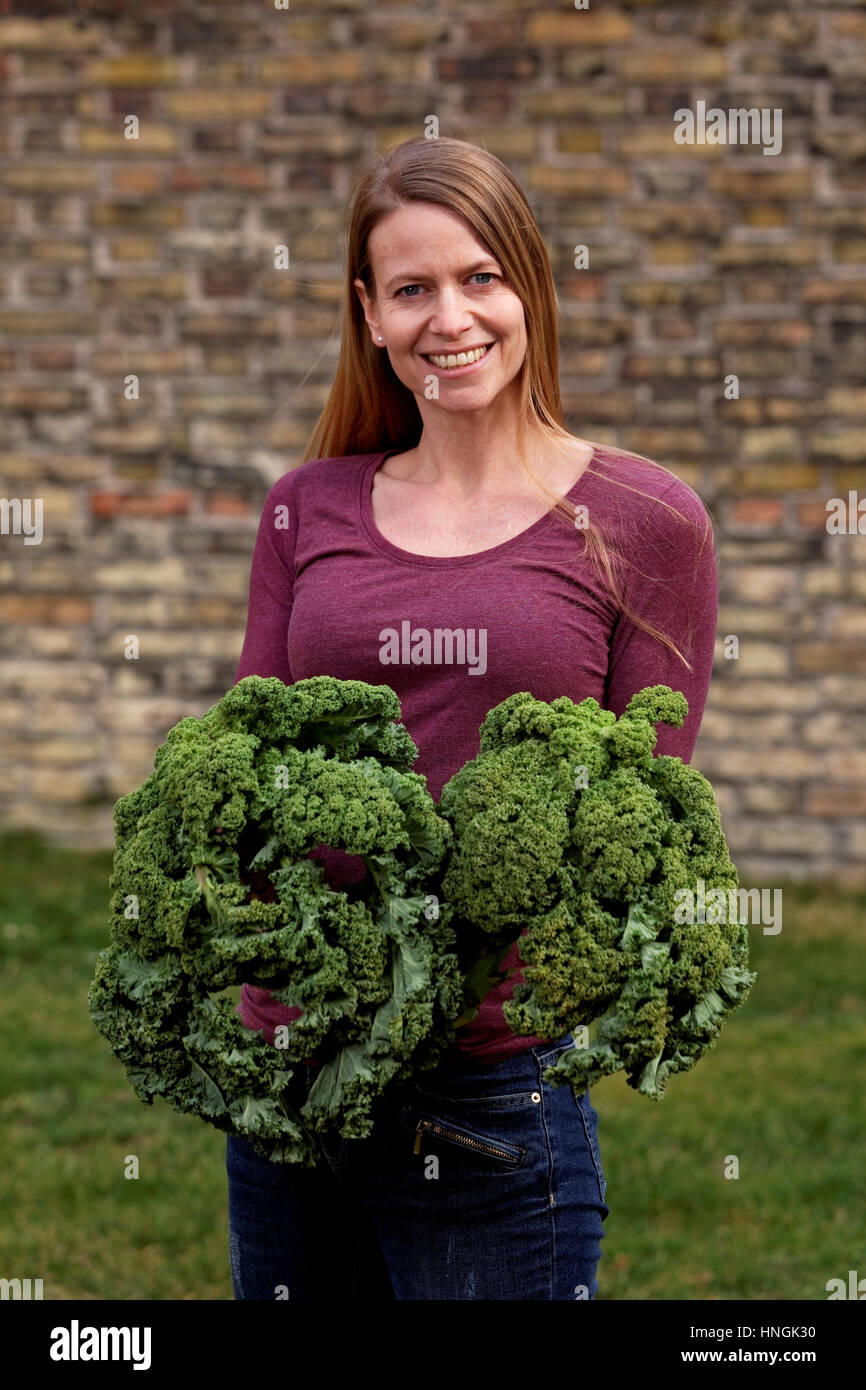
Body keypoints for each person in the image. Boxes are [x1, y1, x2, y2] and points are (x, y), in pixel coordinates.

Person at [226, 136, 718, 1301]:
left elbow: (630, 820)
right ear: (369, 313)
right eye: (411, 289)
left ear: (530, 288)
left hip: (490, 1087)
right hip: (294, 1056)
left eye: (480, 277)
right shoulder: (308, 507)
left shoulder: (644, 520)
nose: (450, 318)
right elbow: (246, 762)